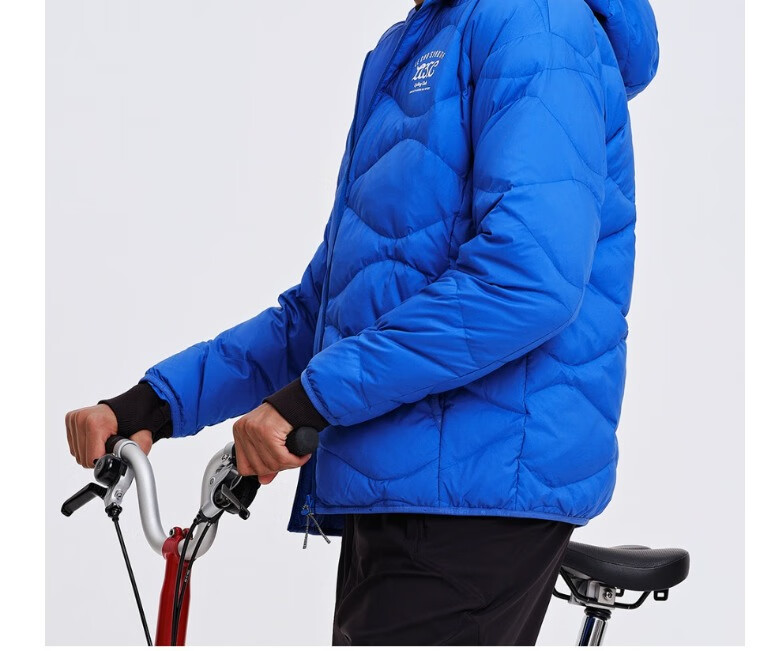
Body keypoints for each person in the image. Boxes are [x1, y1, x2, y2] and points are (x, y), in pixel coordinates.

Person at [65, 0, 659, 644]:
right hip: (406, 480)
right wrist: (155, 404)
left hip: (476, 487)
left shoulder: (536, 23)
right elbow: (321, 313)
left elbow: (526, 279)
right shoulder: (414, 45)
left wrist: (309, 401)